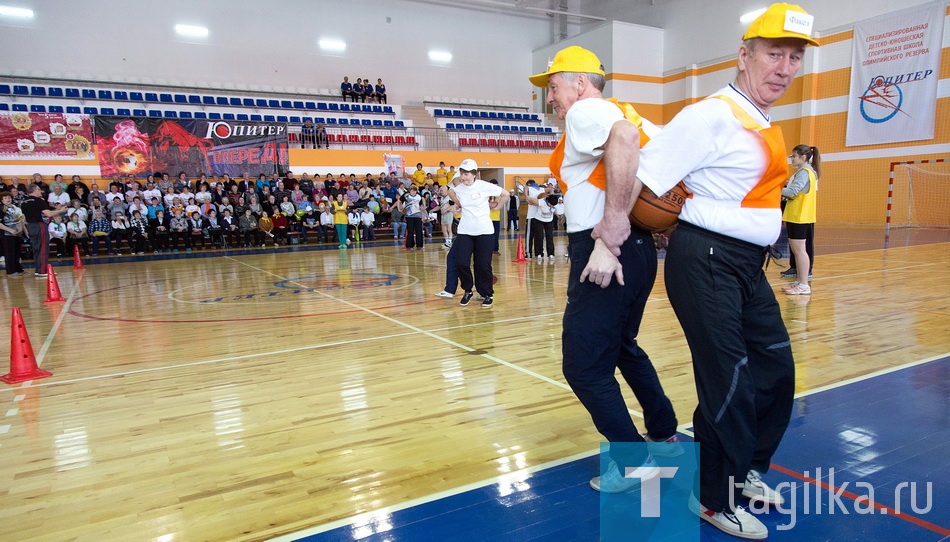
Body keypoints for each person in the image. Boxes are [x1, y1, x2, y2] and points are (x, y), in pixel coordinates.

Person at [634, 5, 819, 538]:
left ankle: (747, 469)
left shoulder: (759, 119)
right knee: (730, 382)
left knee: (775, 372)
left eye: (794, 58)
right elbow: (645, 178)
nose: (784, 67)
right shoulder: (709, 114)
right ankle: (715, 497)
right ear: (744, 55)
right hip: (705, 261)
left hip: (745, 264)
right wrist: (612, 240)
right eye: (773, 54)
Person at [529, 45, 682, 498]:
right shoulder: (631, 112)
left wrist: (608, 234)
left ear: (580, 83)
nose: (549, 99)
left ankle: (635, 463)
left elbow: (623, 138)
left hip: (606, 249)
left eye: (553, 87)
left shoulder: (590, 111)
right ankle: (666, 433)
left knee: (582, 366)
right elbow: (660, 159)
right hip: (636, 251)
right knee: (621, 347)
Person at [447, 159, 508, 308]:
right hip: (465, 231)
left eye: (466, 174)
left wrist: (498, 207)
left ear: (474, 174)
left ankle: (486, 293)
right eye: (462, 174)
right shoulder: (459, 188)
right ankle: (467, 290)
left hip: (484, 231)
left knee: (482, 264)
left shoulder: (484, 186)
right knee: (461, 262)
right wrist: (458, 203)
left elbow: (505, 194)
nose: (463, 177)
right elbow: (450, 191)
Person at [781, 144, 820, 291]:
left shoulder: (805, 172)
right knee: (797, 250)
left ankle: (804, 284)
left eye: (794, 156)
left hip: (800, 216)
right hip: (796, 215)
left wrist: (775, 188)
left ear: (803, 157)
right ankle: (800, 281)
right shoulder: (804, 172)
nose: (792, 159)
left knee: (800, 250)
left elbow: (792, 192)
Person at [20, 183, 67, 276]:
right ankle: (42, 270)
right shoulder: (38, 201)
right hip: (39, 225)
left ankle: (38, 269)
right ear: (33, 190)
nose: (40, 191)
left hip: (30, 225)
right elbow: (48, 214)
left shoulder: (24, 202)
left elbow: (23, 217)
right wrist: (60, 211)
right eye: (38, 189)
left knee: (36, 248)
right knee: (43, 248)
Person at [1, 191, 25, 276]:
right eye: (6, 198)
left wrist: (24, 230)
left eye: (9, 198)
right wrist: (10, 230)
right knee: (9, 252)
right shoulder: (2, 209)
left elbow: (21, 220)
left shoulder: (16, 207)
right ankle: (10, 270)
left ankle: (18, 269)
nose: (8, 199)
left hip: (18, 233)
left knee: (17, 252)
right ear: (2, 200)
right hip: (8, 234)